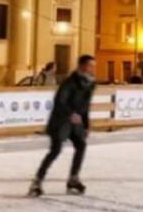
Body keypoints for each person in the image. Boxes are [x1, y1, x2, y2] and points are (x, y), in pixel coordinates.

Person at [29, 55, 97, 197]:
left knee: (81, 145)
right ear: (81, 66)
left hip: (76, 122)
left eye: (93, 66)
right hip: (60, 121)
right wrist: (71, 114)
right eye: (90, 66)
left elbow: (85, 106)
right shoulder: (70, 82)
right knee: (55, 150)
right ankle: (37, 181)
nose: (92, 69)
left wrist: (86, 123)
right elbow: (60, 101)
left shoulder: (90, 84)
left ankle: (73, 178)